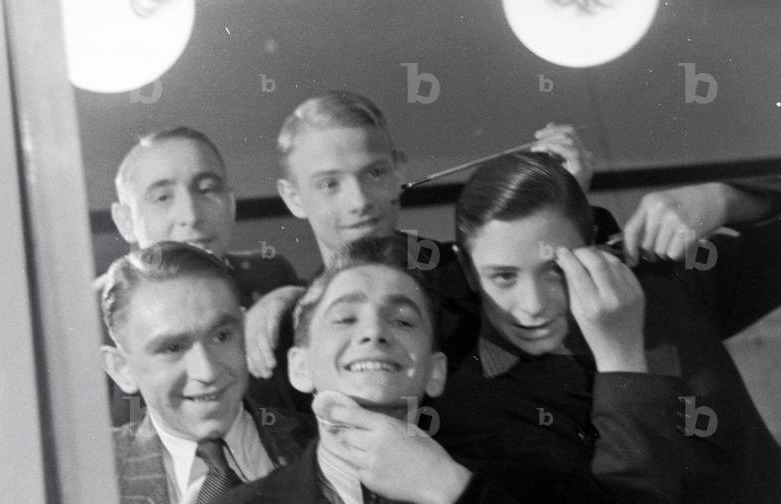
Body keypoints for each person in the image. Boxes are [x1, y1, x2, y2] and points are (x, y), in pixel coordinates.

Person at [189, 244, 684, 504]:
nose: (375, 332)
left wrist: (451, 492)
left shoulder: (518, 488)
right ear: (299, 367)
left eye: (403, 321)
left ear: (436, 371)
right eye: (345, 318)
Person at [433, 151, 781, 504]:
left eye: (557, 269)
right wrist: (622, 361)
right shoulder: (467, 408)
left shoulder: (659, 286)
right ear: (467, 270)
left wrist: (727, 199)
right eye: (504, 277)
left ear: (594, 246)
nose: (533, 305)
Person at [245, 90, 596, 388]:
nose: (359, 201)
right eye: (329, 184)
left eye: (375, 173)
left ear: (400, 169)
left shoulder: (471, 271)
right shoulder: (286, 324)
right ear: (292, 197)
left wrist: (566, 199)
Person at [99, 241, 313, 504]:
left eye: (220, 336)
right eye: (172, 348)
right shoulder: (90, 488)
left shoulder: (325, 448)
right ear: (122, 368)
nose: (207, 370)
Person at [108, 126, 303, 418]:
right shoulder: (92, 315)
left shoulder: (269, 278)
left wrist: (292, 296)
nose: (191, 216)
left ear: (231, 203)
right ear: (125, 221)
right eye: (163, 197)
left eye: (207, 189)